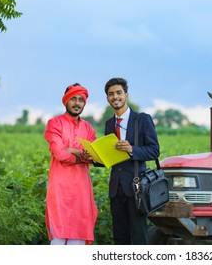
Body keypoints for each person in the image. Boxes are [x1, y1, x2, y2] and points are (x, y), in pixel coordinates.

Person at [103, 77, 160, 244]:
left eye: (119, 93)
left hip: (136, 187)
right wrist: (93, 157)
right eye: (111, 94)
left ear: (126, 95)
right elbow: (111, 157)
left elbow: (154, 150)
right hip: (115, 188)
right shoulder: (109, 123)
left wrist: (132, 149)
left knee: (138, 235)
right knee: (120, 236)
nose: (115, 97)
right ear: (107, 98)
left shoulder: (142, 119)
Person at [43, 83, 98, 245]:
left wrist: (72, 150)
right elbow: (60, 154)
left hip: (81, 192)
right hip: (59, 190)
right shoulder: (54, 124)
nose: (77, 103)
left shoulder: (88, 128)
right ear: (66, 101)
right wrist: (82, 156)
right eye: (73, 99)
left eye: (81, 100)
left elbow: (94, 156)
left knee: (78, 242)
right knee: (58, 241)